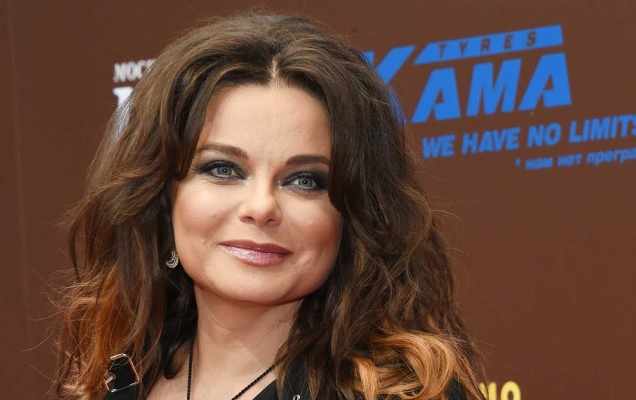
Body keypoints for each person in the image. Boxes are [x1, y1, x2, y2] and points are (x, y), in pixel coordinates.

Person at [55, 12, 485, 400]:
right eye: (223, 169)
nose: (261, 207)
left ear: (353, 217)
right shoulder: (117, 383)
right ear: (163, 197)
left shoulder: (406, 395)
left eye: (304, 180)